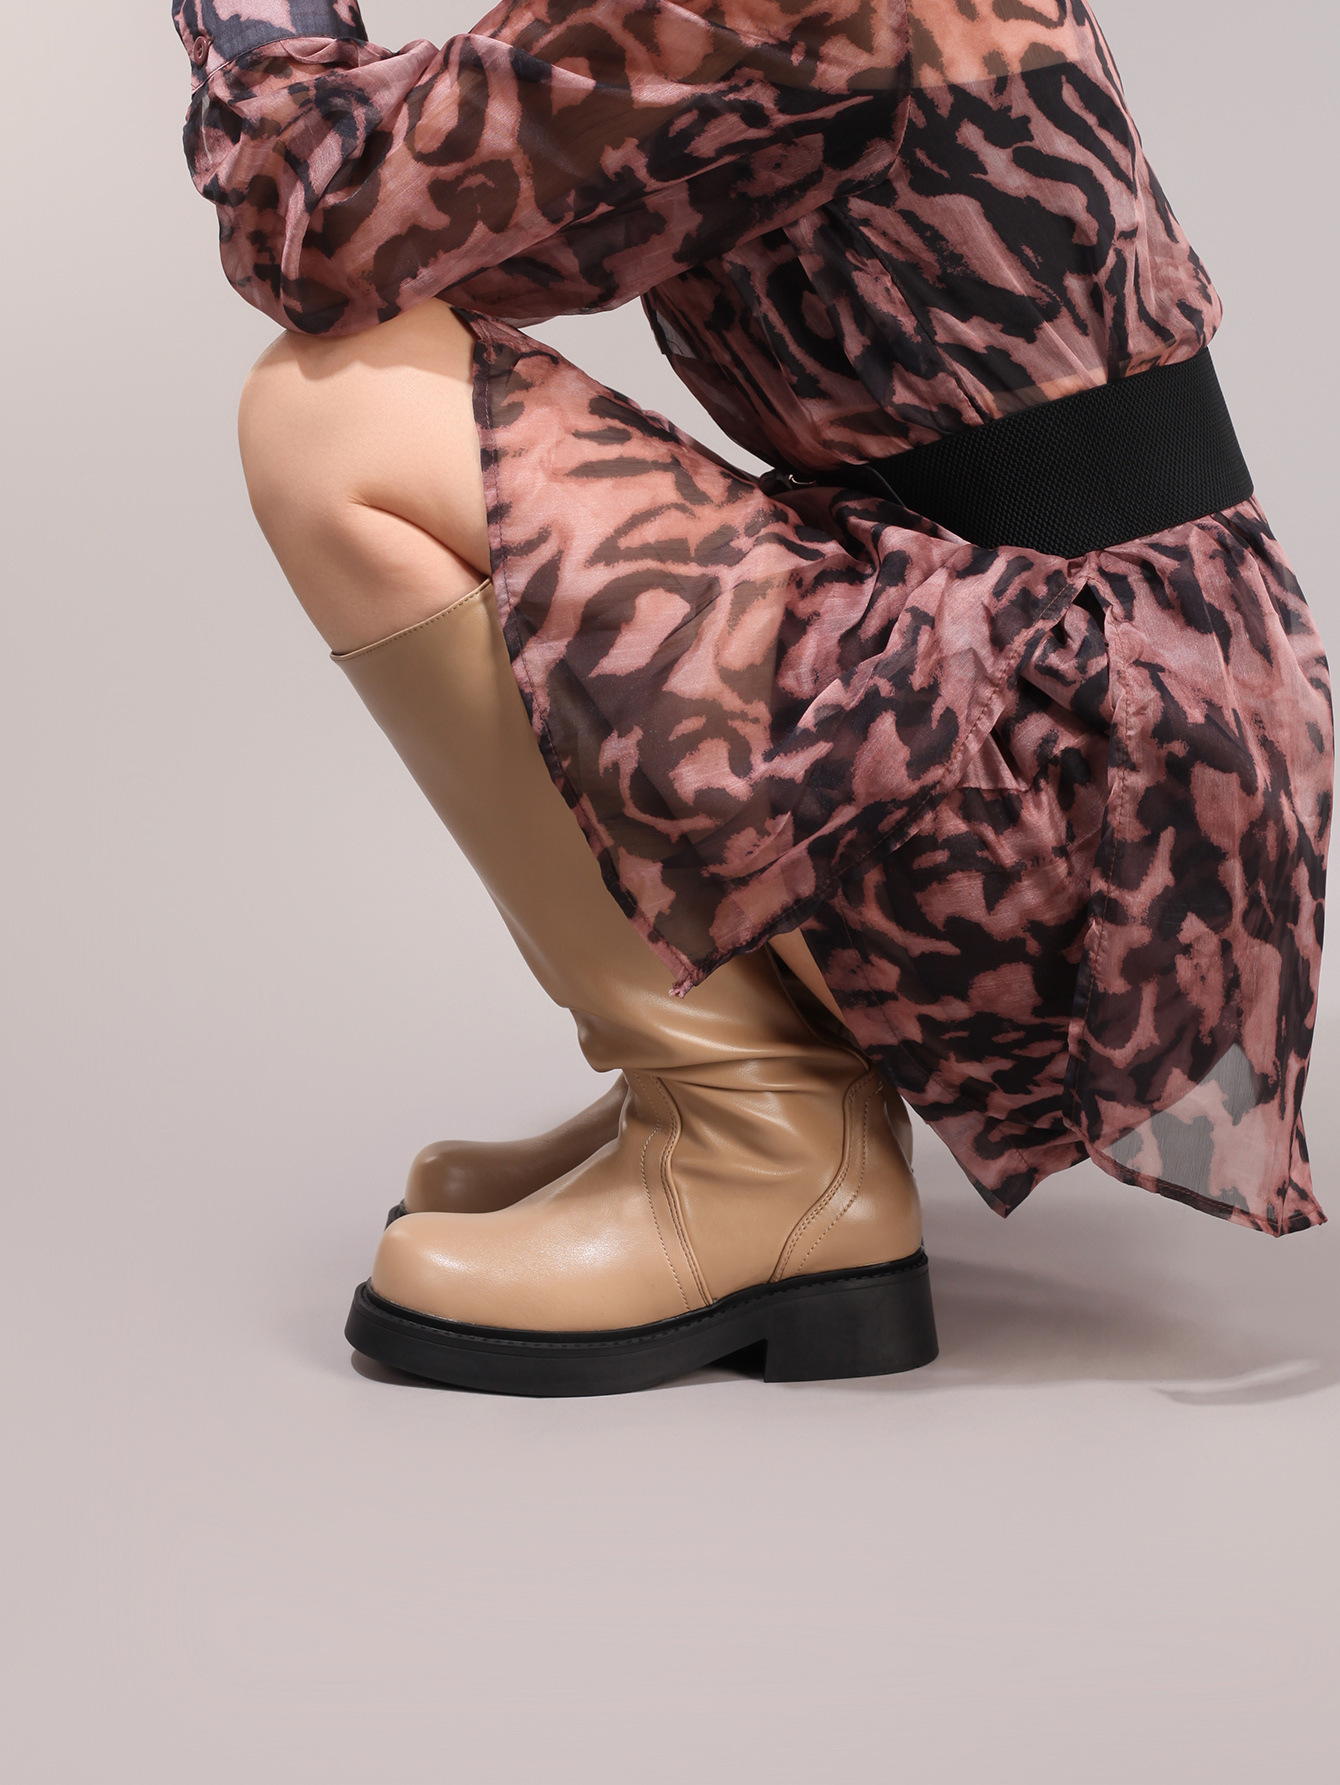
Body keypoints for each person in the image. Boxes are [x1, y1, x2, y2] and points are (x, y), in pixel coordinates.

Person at [171, 0, 1333, 1396]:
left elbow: (310, 221)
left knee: (330, 417)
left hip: (1092, 804)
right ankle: (762, 1056)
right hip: (1130, 743)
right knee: (387, 364)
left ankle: (755, 1139)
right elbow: (433, 235)